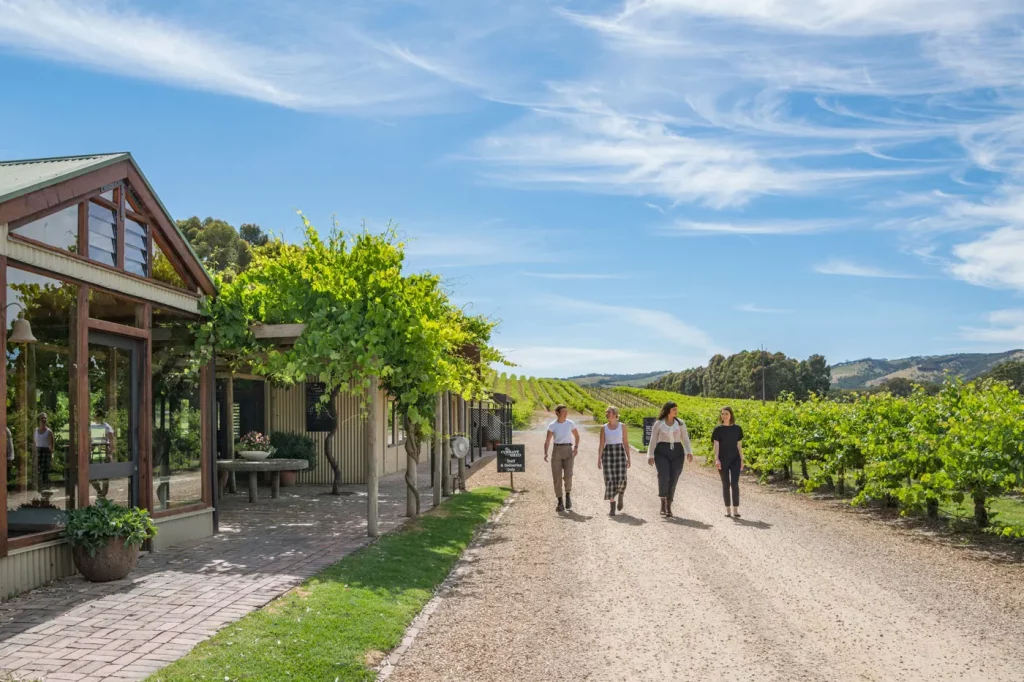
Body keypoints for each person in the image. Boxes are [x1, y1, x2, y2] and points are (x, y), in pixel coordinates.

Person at [646, 401, 693, 518]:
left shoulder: (681, 423)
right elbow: (653, 440)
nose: (676, 411)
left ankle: (669, 505)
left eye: (677, 409)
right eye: (674, 410)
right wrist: (650, 455)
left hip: (677, 451)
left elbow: (686, 439)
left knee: (674, 477)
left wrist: (689, 452)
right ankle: (663, 502)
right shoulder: (659, 424)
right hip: (662, 451)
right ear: (668, 411)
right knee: (664, 476)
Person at [544, 404, 579, 512]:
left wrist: (576, 447)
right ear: (557, 413)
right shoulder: (552, 425)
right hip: (557, 450)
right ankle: (560, 501)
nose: (565, 413)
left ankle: (568, 494)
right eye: (563, 411)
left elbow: (577, 436)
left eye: (566, 411)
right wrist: (545, 453)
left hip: (568, 450)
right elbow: (548, 440)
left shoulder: (570, 423)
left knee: (568, 476)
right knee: (557, 477)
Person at [598, 406, 631, 516]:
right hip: (607, 454)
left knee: (622, 478)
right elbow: (601, 444)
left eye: (609, 412)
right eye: (606, 412)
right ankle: (612, 506)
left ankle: (620, 494)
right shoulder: (603, 428)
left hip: (620, 453)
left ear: (615, 414)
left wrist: (629, 457)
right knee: (609, 479)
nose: (607, 413)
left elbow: (626, 443)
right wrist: (599, 458)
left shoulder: (622, 427)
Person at [713, 406, 744, 518]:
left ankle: (735, 509)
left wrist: (742, 459)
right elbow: (716, 445)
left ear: (731, 415)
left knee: (735, 484)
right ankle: (728, 510)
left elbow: (739, 445)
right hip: (722, 460)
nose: (724, 416)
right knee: (726, 484)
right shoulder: (718, 430)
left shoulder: (737, 429)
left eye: (726, 413)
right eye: (722, 414)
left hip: (735, 459)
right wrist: (716, 459)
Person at [35, 412, 55, 489]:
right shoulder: (35, 431)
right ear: (39, 420)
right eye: (42, 418)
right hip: (38, 452)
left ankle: (45, 488)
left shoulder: (49, 432)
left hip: (46, 452)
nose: (44, 420)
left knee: (45, 471)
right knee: (37, 472)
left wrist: (52, 456)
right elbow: (34, 444)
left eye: (45, 418)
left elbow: (51, 446)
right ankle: (39, 488)